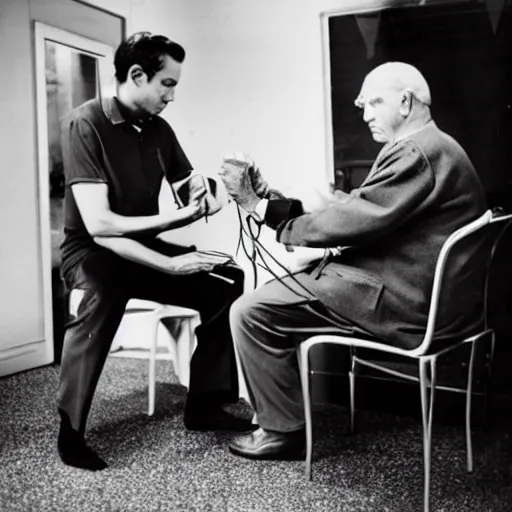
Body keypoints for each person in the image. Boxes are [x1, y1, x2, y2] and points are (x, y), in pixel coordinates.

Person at [219, 62, 487, 460]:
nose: (364, 115)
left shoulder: (417, 151)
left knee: (250, 310)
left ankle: (281, 431)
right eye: (361, 105)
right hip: (423, 294)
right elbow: (363, 207)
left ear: (405, 101)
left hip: (404, 303)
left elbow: (357, 219)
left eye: (373, 102)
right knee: (288, 285)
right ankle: (283, 417)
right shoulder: (434, 145)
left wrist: (258, 207)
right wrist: (272, 200)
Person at [57, 32, 254, 472]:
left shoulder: (159, 129)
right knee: (104, 291)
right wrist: (170, 256)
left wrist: (209, 193)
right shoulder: (84, 124)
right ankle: (70, 431)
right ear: (136, 75)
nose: (173, 95)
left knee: (226, 281)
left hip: (141, 245)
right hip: (90, 253)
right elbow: (101, 227)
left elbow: (187, 184)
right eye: (167, 84)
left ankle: (204, 404)